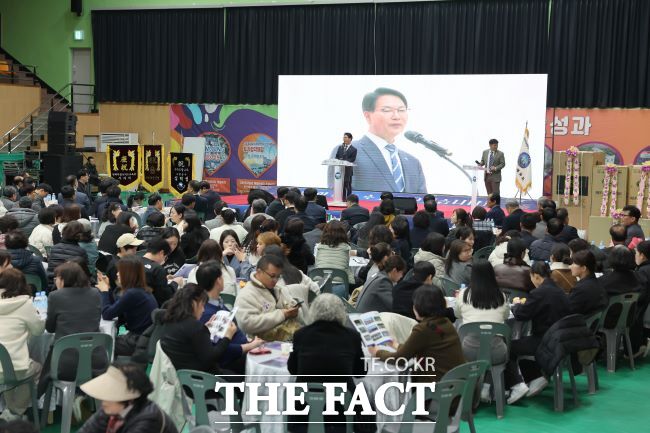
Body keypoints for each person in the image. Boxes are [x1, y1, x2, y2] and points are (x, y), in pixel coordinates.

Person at [288, 294, 366, 433]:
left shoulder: (301, 334)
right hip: (342, 407)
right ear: (341, 313)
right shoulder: (352, 336)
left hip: (305, 406)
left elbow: (293, 370)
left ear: (313, 311)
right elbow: (360, 372)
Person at [327, 87, 426, 193]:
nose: (396, 116)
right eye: (387, 110)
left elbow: (423, 203)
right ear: (368, 116)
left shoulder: (413, 162)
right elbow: (338, 196)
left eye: (401, 110)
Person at [504, 261, 572, 404]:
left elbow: (522, 314)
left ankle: (517, 385)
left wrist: (516, 306)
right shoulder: (559, 290)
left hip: (545, 340)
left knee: (508, 347)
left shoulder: (539, 293)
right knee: (523, 342)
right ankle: (535, 377)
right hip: (561, 338)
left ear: (535, 276)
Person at [369, 285, 465, 382]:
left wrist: (377, 352)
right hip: (458, 384)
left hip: (437, 387)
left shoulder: (423, 329)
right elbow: (412, 350)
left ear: (417, 307)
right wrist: (395, 344)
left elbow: (400, 359)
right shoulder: (445, 322)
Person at [39, 262, 106, 396]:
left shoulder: (55, 296)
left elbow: (50, 328)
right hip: (96, 360)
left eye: (56, 278)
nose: (55, 282)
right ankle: (83, 399)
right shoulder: (95, 293)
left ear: (63, 279)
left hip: (64, 364)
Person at [195, 261, 264, 372]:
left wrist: (249, 341)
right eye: (222, 277)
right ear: (218, 281)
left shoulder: (216, 302)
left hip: (241, 349)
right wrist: (250, 346)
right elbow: (220, 350)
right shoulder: (206, 312)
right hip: (230, 362)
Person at [78, 363, 177, 433]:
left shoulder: (149, 420)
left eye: (110, 395)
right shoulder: (111, 409)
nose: (103, 401)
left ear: (130, 400)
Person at [0, 269, 44, 420]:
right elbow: (38, 331)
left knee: (7, 368)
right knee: (37, 369)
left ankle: (11, 411)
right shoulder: (25, 304)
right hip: (17, 367)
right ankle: (15, 411)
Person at [454, 260, 509, 373]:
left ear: (472, 275)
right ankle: (489, 384)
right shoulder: (501, 295)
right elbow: (506, 316)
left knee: (459, 324)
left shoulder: (463, 294)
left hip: (468, 352)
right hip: (496, 352)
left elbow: (457, 314)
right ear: (491, 274)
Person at [234, 254, 303, 341]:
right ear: (259, 272)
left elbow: (292, 308)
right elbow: (246, 324)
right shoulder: (246, 294)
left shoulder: (279, 289)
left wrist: (293, 309)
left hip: (288, 340)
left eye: (278, 276)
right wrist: (282, 315)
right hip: (263, 345)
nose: (275, 280)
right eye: (272, 276)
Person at [97, 256, 158, 356]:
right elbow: (115, 306)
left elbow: (107, 314)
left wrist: (104, 292)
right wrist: (107, 288)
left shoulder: (132, 293)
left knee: (100, 345)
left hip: (137, 341)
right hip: (144, 338)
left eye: (120, 271)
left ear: (128, 274)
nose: (117, 274)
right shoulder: (140, 290)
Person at [598, 246, 641, 328]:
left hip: (607, 320)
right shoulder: (638, 277)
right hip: (630, 319)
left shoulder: (604, 280)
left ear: (611, 259)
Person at [314, 220, 355, 294]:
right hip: (339, 286)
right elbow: (346, 266)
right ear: (343, 233)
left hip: (320, 285)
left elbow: (317, 264)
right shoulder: (346, 248)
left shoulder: (319, 247)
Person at [47, 221, 89, 289]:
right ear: (80, 235)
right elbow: (84, 272)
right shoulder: (81, 251)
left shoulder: (54, 248)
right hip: (71, 286)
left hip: (51, 283)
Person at [140, 237, 180, 306]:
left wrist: (163, 278)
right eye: (165, 256)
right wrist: (175, 283)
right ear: (161, 253)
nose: (164, 260)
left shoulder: (133, 261)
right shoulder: (157, 269)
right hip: (151, 308)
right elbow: (165, 296)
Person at [568, 249, 607, 316]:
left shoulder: (580, 289)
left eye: (574, 263)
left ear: (583, 268)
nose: (570, 266)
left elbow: (569, 312)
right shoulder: (598, 282)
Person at [333, 132, 357, 199]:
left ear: (350, 139)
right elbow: (337, 156)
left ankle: (349, 199)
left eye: (345, 137)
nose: (344, 138)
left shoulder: (354, 149)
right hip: (339, 170)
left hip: (348, 170)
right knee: (341, 185)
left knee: (347, 185)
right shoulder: (340, 147)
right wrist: (338, 160)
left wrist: (344, 161)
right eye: (343, 137)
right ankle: (342, 198)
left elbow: (352, 159)